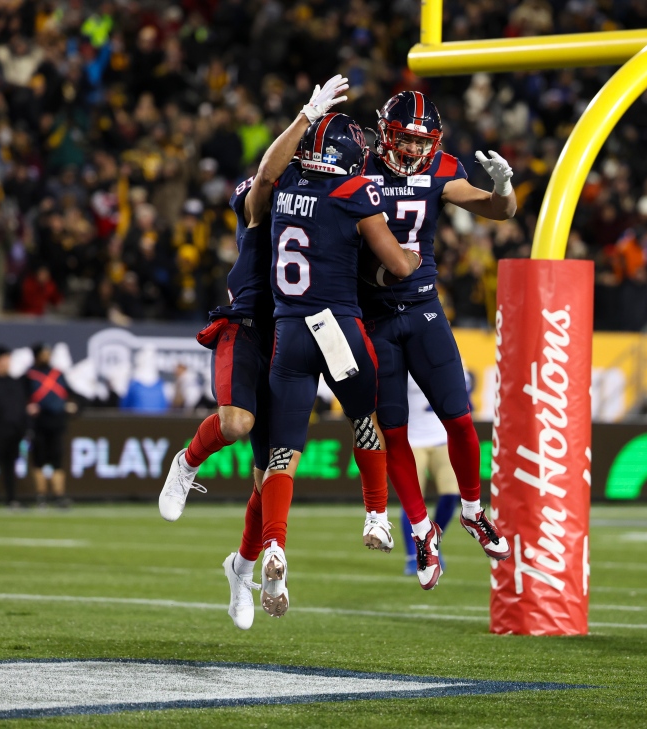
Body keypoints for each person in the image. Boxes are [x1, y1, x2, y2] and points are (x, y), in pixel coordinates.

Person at [157, 76, 351, 631]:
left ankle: (242, 567)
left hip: (299, 334)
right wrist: (305, 116)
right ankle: (187, 462)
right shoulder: (273, 183)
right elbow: (263, 178)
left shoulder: (340, 202)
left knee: (272, 474)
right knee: (238, 422)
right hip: (249, 323)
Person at [258, 110, 420, 619]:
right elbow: (394, 265)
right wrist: (414, 258)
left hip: (289, 333)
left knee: (283, 455)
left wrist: (303, 117)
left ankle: (275, 547)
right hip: (337, 329)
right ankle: (375, 515)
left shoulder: (283, 183)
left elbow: (265, 171)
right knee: (363, 419)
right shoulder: (355, 193)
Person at [360, 91, 516, 590]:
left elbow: (500, 211)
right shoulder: (358, 166)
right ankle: (423, 530)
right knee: (395, 432)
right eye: (403, 139)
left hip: (423, 308)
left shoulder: (443, 168)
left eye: (418, 141)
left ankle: (473, 509)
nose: (410, 150)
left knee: (460, 418)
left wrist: (506, 188)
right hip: (375, 315)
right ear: (385, 134)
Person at [400, 373, 460, 577]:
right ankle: (412, 556)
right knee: (412, 500)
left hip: (442, 437)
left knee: (452, 494)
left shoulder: (450, 362)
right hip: (412, 440)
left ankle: (431, 541)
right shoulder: (402, 365)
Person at [26, 342, 77, 508]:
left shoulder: (57, 374)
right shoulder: (29, 376)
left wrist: (73, 405)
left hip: (57, 423)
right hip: (38, 424)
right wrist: (27, 407)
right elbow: (21, 398)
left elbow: (71, 394)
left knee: (57, 461)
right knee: (39, 461)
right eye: (44, 353)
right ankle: (41, 496)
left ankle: (59, 496)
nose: (47, 356)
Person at [0, 345, 29, 509]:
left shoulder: (15, 382)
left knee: (10, 466)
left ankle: (11, 499)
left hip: (13, 430)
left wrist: (23, 426)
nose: (7, 363)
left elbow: (21, 406)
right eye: (4, 359)